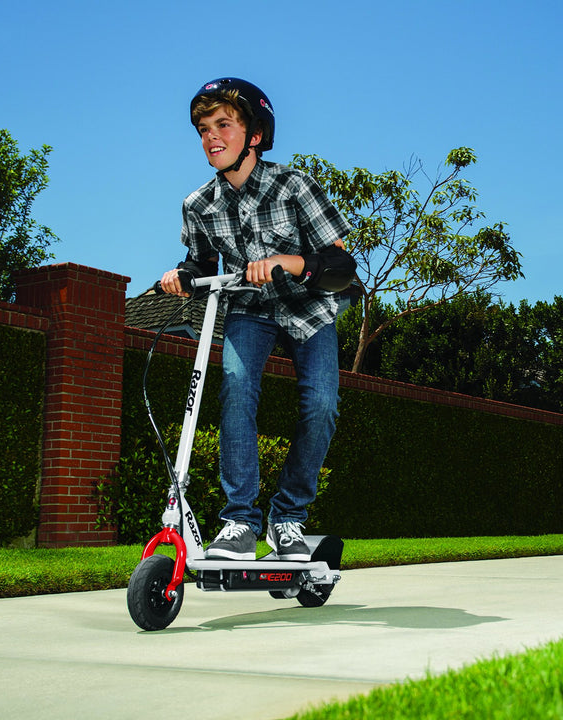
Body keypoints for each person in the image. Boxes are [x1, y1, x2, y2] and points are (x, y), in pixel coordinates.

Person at [159, 77, 353, 561]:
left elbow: (342, 266)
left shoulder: (295, 187)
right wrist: (181, 275)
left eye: (223, 124)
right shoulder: (198, 205)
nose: (211, 137)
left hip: (309, 310)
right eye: (203, 129)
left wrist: (290, 262)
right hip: (248, 310)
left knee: (321, 406)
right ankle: (239, 523)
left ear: (255, 135)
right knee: (237, 389)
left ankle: (287, 517)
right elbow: (200, 264)